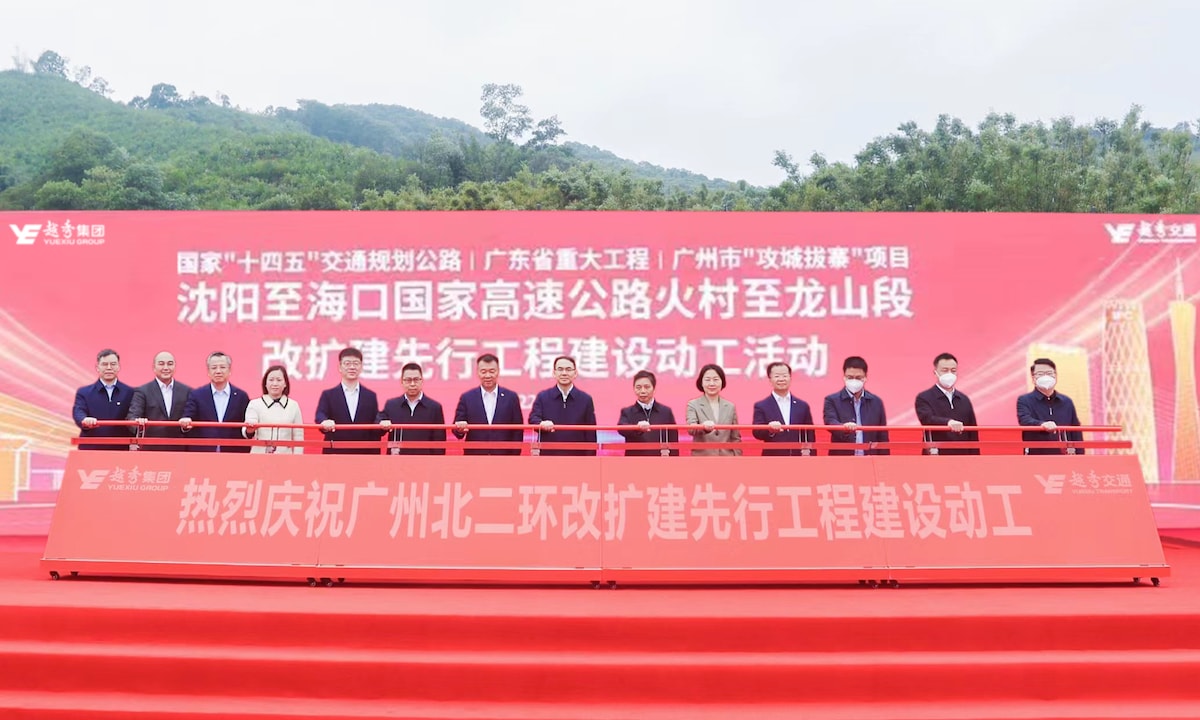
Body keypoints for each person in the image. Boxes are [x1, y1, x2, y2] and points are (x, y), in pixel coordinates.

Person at [453, 353, 525, 455]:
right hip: (475, 456)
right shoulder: (467, 398)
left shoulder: (511, 397)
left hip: (504, 456)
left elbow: (518, 431)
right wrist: (460, 429)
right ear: (477, 372)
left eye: (492, 371)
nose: (487, 376)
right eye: (483, 372)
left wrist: (514, 456)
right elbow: (456, 429)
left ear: (498, 371)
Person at [179, 351, 251, 453]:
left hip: (233, 452)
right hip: (204, 452)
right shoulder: (197, 395)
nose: (218, 371)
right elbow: (187, 417)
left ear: (229, 370)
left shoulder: (241, 396)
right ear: (208, 372)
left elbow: (246, 426)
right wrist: (186, 423)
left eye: (222, 367)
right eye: (214, 368)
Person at [315, 347, 381, 455]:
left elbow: (375, 422)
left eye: (356, 363)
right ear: (340, 367)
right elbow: (320, 415)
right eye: (347, 363)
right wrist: (324, 422)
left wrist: (382, 424)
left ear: (361, 367)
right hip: (336, 452)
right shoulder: (328, 395)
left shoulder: (370, 396)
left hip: (364, 453)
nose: (352, 367)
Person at [529, 356, 597, 456]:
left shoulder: (585, 399)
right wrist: (541, 423)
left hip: (578, 456)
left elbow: (590, 433)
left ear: (575, 373)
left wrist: (590, 458)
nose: (564, 373)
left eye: (568, 369)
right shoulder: (543, 397)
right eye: (560, 369)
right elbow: (533, 419)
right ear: (554, 373)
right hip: (549, 455)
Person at [914, 352, 979, 455]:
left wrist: (975, 457)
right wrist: (948, 422)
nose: (949, 374)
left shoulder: (964, 399)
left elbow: (973, 432)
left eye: (953, 370)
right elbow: (927, 419)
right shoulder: (924, 397)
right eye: (945, 370)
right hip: (937, 455)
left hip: (963, 456)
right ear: (935, 372)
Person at [126, 351, 192, 452]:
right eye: (161, 364)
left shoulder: (187, 391)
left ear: (175, 367)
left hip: (179, 449)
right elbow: (132, 418)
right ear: (154, 367)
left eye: (170, 364)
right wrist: (139, 424)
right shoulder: (143, 391)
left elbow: (192, 417)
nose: (166, 368)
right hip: (151, 449)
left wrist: (186, 425)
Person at [823, 356, 889, 456]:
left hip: (870, 459)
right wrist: (843, 428)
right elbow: (830, 421)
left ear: (865, 377)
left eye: (858, 378)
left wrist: (884, 461)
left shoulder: (876, 402)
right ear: (844, 377)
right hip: (842, 459)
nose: (854, 381)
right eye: (850, 377)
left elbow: (882, 436)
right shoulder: (832, 400)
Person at [1017, 358, 1084, 455]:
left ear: (1055, 376)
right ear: (1033, 378)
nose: (1045, 377)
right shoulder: (1024, 400)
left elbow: (1075, 430)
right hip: (1036, 455)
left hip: (1064, 455)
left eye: (1049, 373)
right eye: (1040, 374)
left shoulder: (1066, 401)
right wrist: (1042, 424)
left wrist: (1080, 455)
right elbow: (1025, 420)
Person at [72, 348, 135, 451]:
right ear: (97, 367)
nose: (109, 368)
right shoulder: (84, 392)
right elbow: (78, 411)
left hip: (121, 449)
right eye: (104, 364)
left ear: (119, 367)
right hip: (91, 448)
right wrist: (84, 420)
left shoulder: (130, 392)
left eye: (113, 364)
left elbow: (135, 414)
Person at [378, 363, 446, 455]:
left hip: (425, 460)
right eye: (408, 380)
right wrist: (382, 423)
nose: (412, 384)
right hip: (397, 460)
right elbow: (378, 424)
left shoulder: (434, 407)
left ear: (422, 381)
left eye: (416, 380)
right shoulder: (392, 405)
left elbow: (439, 441)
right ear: (402, 381)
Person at [752, 361, 816, 456]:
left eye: (785, 376)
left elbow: (809, 434)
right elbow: (757, 432)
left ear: (790, 378)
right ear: (770, 380)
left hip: (798, 457)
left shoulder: (802, 405)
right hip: (773, 457)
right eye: (777, 376)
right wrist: (769, 429)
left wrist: (810, 455)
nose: (781, 379)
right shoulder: (761, 406)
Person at [243, 365, 304, 454]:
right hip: (259, 456)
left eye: (279, 380)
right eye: (271, 380)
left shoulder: (293, 405)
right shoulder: (255, 404)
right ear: (265, 383)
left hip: (285, 456)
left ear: (285, 384)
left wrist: (297, 458)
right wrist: (250, 429)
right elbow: (246, 432)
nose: (275, 384)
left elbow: (298, 436)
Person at [616, 370, 679, 456]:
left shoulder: (666, 411)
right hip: (635, 459)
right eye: (638, 387)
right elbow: (621, 429)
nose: (643, 391)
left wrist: (674, 460)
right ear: (634, 389)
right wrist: (637, 428)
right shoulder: (627, 411)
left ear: (654, 388)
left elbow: (673, 439)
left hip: (660, 460)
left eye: (647, 387)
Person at [685, 363, 742, 456]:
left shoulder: (730, 406)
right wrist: (703, 427)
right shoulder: (693, 404)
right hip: (703, 457)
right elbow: (691, 429)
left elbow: (735, 437)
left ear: (722, 382)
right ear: (701, 382)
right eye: (707, 380)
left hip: (726, 458)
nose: (712, 383)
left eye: (715, 379)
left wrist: (737, 457)